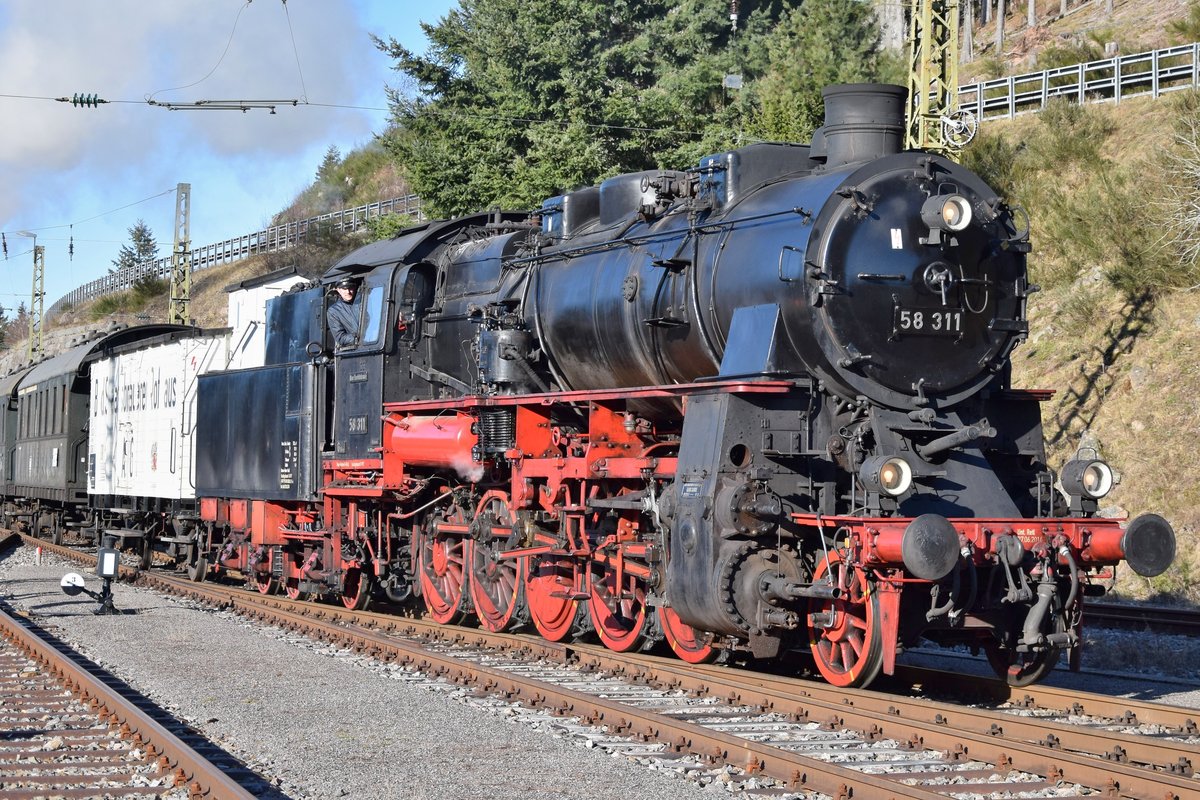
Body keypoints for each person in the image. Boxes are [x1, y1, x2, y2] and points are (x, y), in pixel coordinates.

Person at [328, 276, 362, 348]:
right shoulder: (334, 311)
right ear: (338, 290)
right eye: (344, 289)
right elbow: (340, 337)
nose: (348, 292)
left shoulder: (364, 301)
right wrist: (358, 338)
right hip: (354, 349)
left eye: (350, 288)